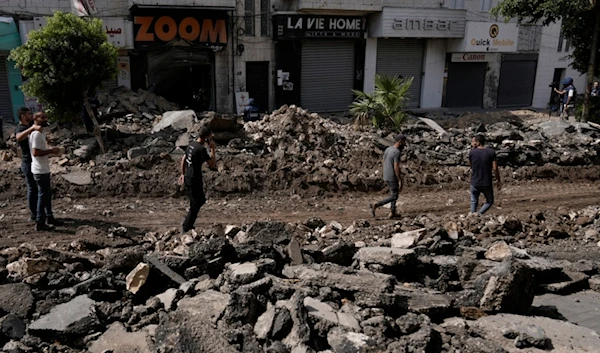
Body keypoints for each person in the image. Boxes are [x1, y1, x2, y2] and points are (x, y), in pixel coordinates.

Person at [179, 126, 217, 232]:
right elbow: (212, 164)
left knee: (197, 201)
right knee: (197, 202)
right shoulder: (201, 149)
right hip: (194, 179)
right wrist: (213, 149)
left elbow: (183, 158)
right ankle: (187, 226)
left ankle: (188, 224)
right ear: (206, 138)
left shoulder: (191, 145)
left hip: (188, 177)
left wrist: (182, 173)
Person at [29, 111, 62, 231]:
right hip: (40, 170)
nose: (45, 119)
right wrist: (51, 151)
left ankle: (48, 217)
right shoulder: (37, 135)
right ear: (35, 119)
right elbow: (36, 152)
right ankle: (40, 221)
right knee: (43, 196)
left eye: (45, 117)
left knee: (46, 195)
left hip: (41, 169)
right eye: (42, 117)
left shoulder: (38, 134)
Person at [370, 134, 406, 219]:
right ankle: (376, 204)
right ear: (400, 141)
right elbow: (396, 167)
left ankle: (393, 212)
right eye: (404, 142)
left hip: (386, 174)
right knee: (394, 196)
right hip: (392, 175)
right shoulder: (397, 152)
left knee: (393, 193)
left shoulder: (388, 149)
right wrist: (399, 179)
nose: (404, 144)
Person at [15, 107, 41, 222]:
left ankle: (39, 212)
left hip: (34, 161)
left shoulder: (29, 126)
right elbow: (19, 137)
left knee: (37, 188)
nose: (31, 115)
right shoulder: (20, 128)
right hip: (27, 162)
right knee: (32, 188)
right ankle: (34, 214)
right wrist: (31, 129)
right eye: (28, 114)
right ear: (23, 116)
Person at [469, 135, 501, 216]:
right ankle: (479, 214)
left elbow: (471, 166)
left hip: (474, 181)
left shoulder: (472, 152)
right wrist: (498, 180)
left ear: (478, 142)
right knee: (489, 201)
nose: (472, 143)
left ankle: (472, 216)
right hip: (486, 181)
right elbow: (495, 168)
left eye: (473, 141)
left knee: (474, 201)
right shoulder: (491, 152)